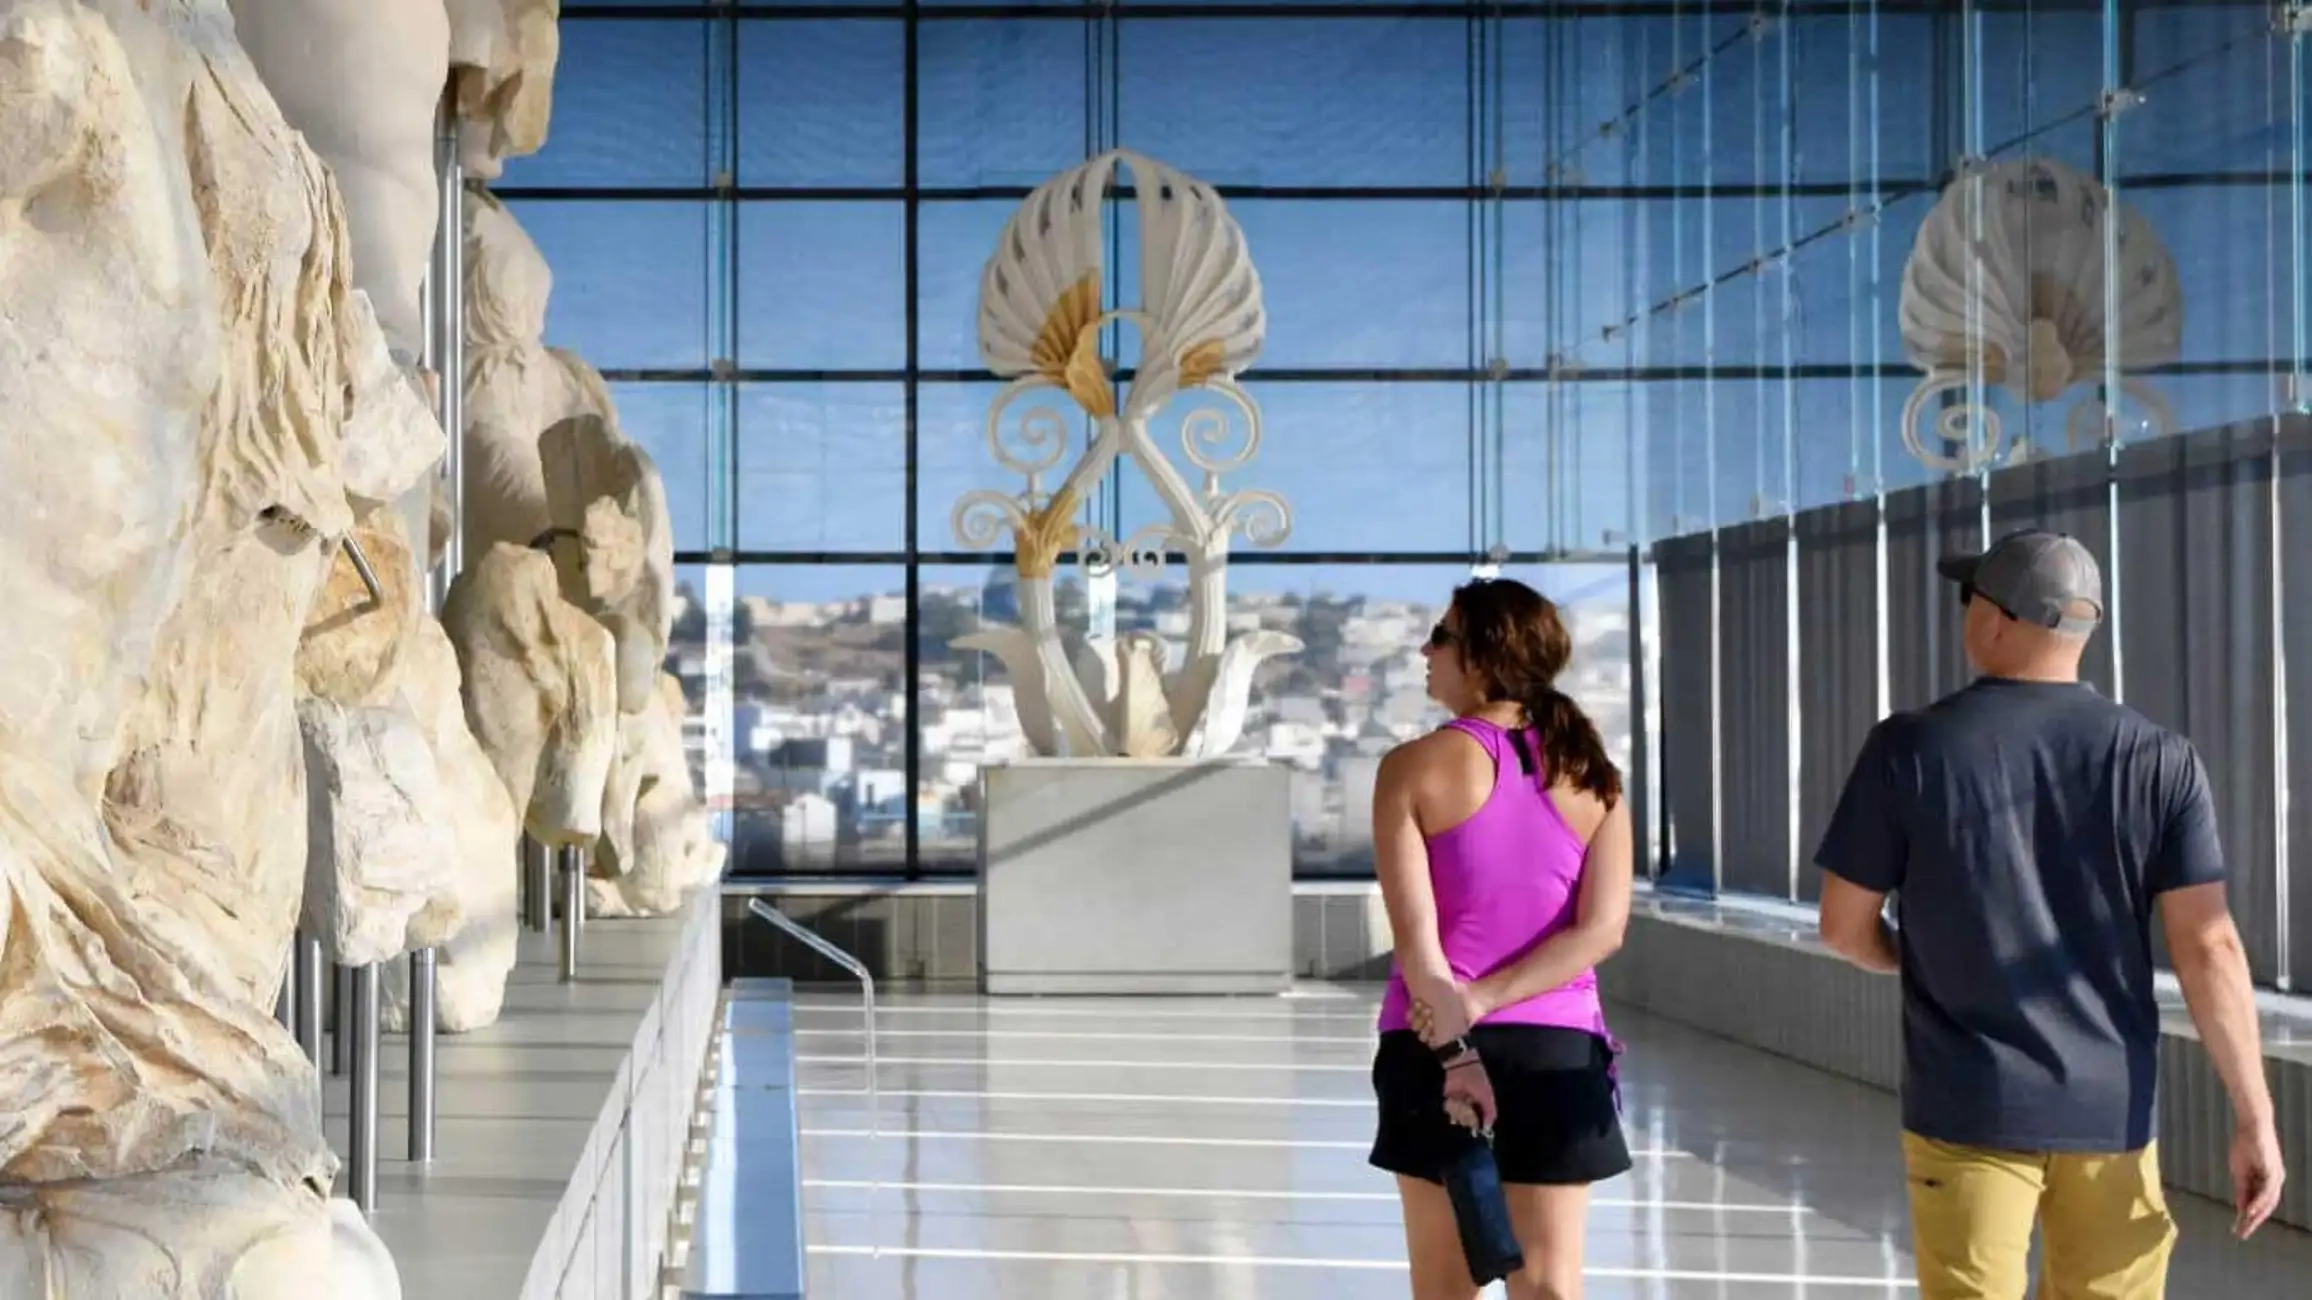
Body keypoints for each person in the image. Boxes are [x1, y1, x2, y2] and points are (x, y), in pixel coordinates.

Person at [1813, 527, 2286, 1299]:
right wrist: (2254, 1116)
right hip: (2113, 1113)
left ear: (1999, 619)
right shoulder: (2160, 758)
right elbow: (2210, 947)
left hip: (1969, 1105)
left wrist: (1907, 954)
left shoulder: (1911, 749)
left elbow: (1842, 925)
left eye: (1969, 597)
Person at [1368, 577, 1635, 1300]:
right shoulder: (1594, 776)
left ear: (1484, 656)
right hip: (1558, 1049)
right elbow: (1602, 931)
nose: (1425, 650)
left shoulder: (1410, 768)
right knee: (1549, 1285)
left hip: (1433, 1045)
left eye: (1442, 636)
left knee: (1444, 1287)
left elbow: (1417, 944)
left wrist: (1459, 1041)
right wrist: (1487, 998)